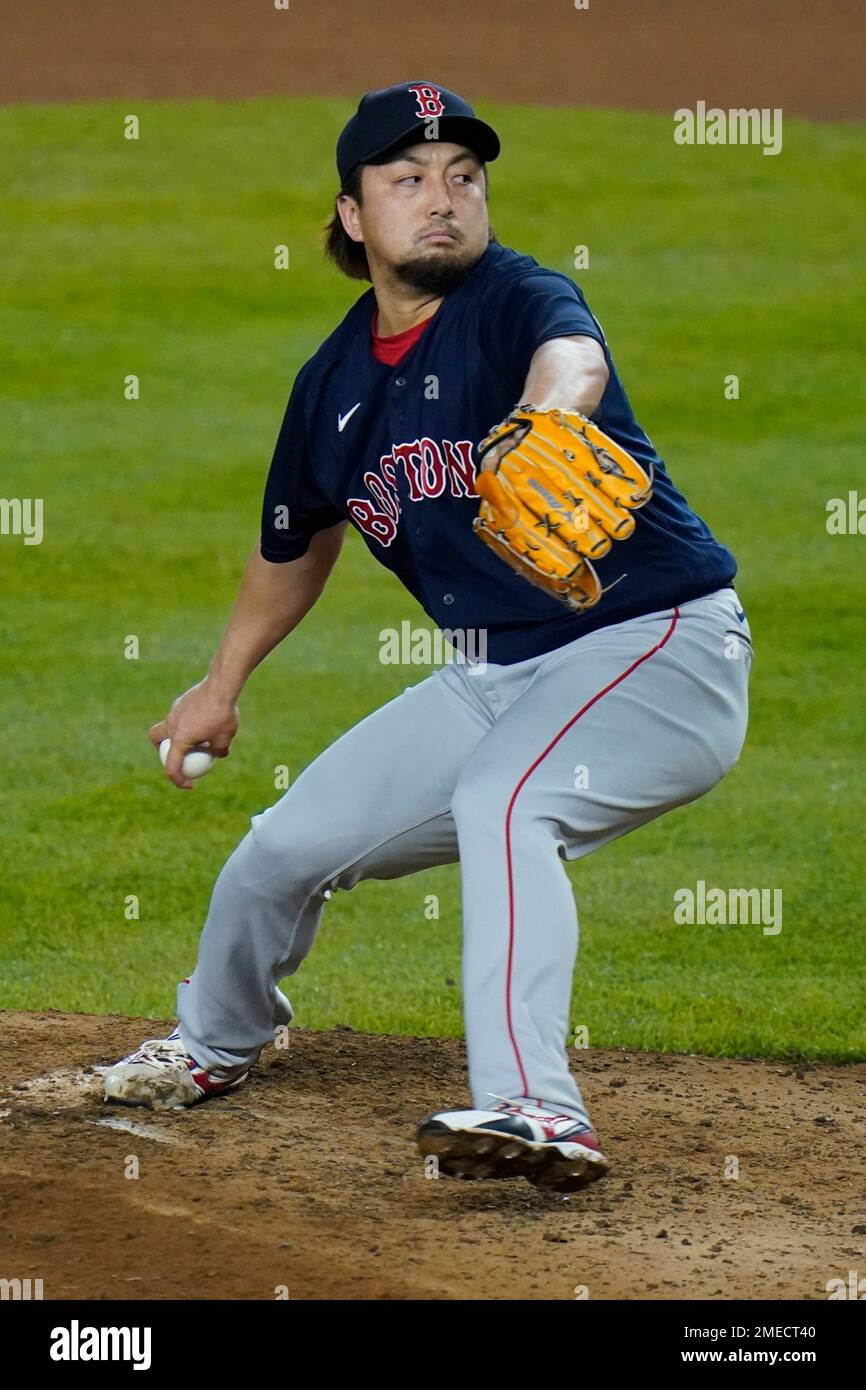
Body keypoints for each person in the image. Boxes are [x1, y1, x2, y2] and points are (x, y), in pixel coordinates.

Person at [103, 81, 753, 1194]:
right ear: (353, 217)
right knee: (279, 850)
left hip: (656, 645)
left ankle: (539, 1110)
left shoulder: (514, 299)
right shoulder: (333, 387)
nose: (441, 198)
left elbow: (573, 359)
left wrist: (542, 420)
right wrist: (221, 683)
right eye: (406, 180)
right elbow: (294, 540)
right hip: (496, 674)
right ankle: (215, 1043)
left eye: (463, 177)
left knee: (506, 800)